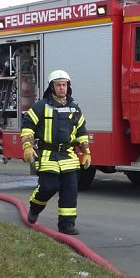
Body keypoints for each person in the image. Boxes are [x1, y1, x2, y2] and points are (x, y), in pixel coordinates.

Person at [21, 69, 90, 235]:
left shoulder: (74, 109)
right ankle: (35, 207)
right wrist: (28, 147)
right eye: (58, 85)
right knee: (48, 187)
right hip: (48, 155)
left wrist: (86, 152)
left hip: (68, 156)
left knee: (70, 191)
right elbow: (28, 127)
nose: (62, 88)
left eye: (64, 85)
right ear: (52, 87)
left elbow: (81, 132)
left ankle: (67, 225)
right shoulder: (40, 107)